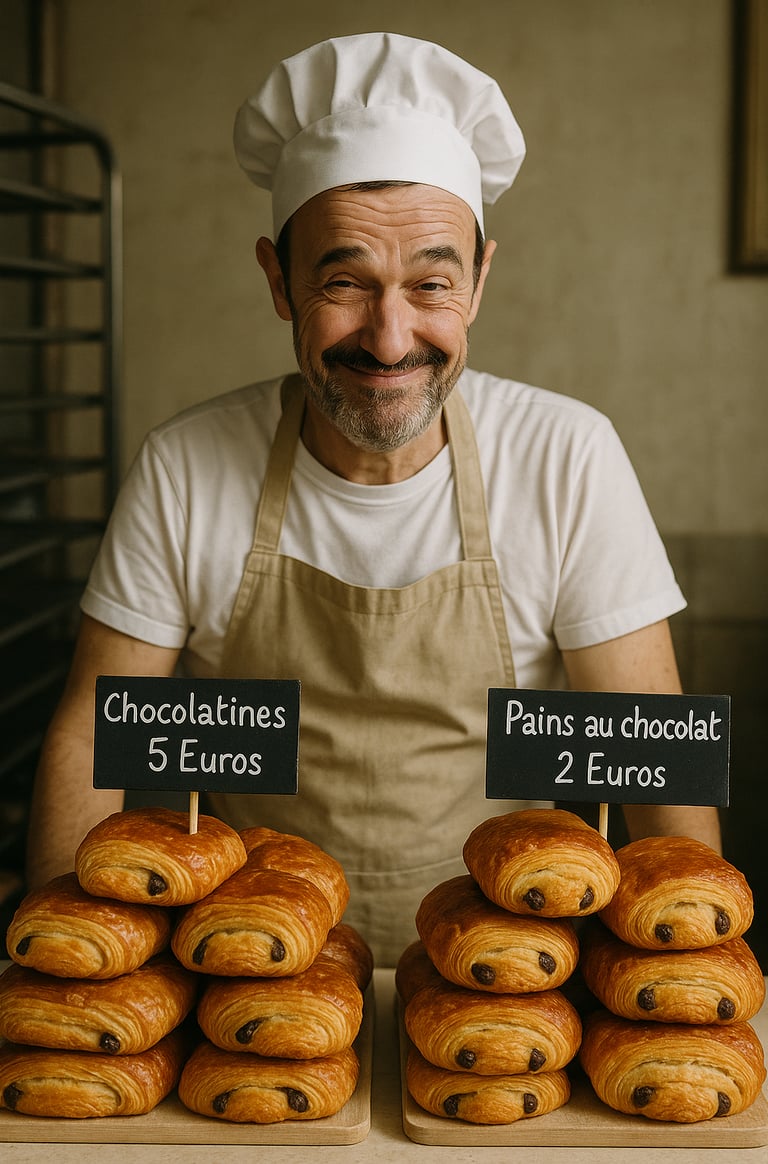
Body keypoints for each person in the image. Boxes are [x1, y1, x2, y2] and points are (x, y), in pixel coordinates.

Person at [26, 33, 720, 964]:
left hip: (502, 978)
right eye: (344, 284)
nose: (391, 340)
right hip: (247, 973)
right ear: (278, 280)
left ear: (479, 280)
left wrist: (695, 964)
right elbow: (92, 734)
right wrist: (60, 969)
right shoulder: (186, 465)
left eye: (430, 283)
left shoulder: (568, 456)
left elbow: (652, 758)